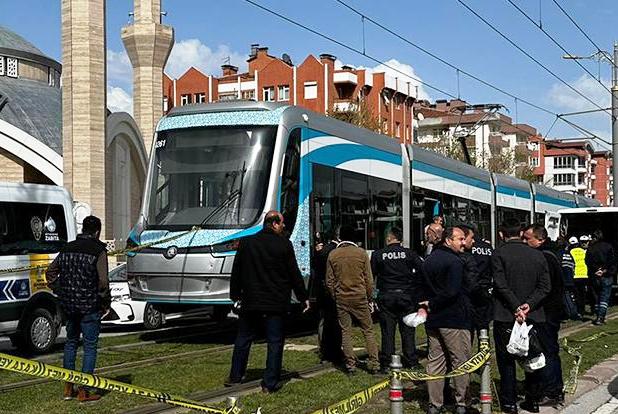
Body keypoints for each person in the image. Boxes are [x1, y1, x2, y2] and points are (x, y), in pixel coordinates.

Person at [227, 211, 310, 393]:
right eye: (282, 224)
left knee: (243, 339)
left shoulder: (247, 243)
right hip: (275, 302)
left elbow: (237, 271)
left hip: (251, 300)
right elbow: (293, 274)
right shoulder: (284, 245)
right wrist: (303, 297)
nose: (284, 227)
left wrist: (235, 294)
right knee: (274, 342)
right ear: (274, 224)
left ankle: (235, 376)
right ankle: (270, 382)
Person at [46, 215, 110, 402]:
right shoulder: (99, 250)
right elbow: (103, 282)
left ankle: (68, 387)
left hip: (69, 306)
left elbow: (50, 273)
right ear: (97, 231)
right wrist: (105, 303)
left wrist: (60, 289)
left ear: (83, 229)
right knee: (90, 347)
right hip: (90, 307)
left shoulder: (67, 248)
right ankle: (85, 391)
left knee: (71, 343)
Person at [492, 219, 550, 414]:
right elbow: (545, 287)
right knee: (532, 358)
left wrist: (516, 307)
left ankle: (509, 403)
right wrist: (528, 305)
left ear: (501, 235)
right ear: (522, 232)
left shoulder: (499, 253)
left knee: (506, 361)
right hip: (534, 315)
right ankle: (532, 400)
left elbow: (500, 285)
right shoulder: (538, 256)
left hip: (505, 315)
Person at [420, 227, 471, 414]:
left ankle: (435, 404)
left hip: (434, 319)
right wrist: (434, 302)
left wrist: (428, 304)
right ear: (448, 240)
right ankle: (461, 403)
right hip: (454, 319)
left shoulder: (429, 260)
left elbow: (422, 287)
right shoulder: (455, 262)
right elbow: (452, 292)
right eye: (460, 239)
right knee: (460, 361)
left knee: (435, 362)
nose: (464, 242)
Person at [326, 225, 379, 374]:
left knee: (346, 331)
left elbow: (329, 281)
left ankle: (350, 364)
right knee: (368, 330)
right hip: (359, 296)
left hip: (342, 298)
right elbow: (369, 280)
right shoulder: (361, 254)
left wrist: (335, 295)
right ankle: (374, 363)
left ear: (340, 237)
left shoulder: (333, 254)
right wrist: (369, 297)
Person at [371, 227, 424, 372]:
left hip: (386, 296)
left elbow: (372, 275)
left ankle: (386, 363)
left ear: (389, 238)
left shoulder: (378, 254)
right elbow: (422, 271)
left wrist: (373, 296)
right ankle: (412, 361)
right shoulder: (410, 254)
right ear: (400, 239)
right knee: (408, 330)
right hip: (406, 296)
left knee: (387, 331)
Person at [523, 224, 565, 406]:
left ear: (540, 239)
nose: (524, 241)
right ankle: (553, 389)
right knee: (550, 351)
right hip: (551, 311)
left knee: (546, 352)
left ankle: (550, 391)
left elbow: (544, 287)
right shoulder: (551, 255)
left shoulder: (544, 258)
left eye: (527, 238)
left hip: (545, 313)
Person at [311, 230, 343, 364]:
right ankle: (336, 350)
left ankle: (324, 350)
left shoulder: (322, 251)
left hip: (321, 290)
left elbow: (315, 268)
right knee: (337, 321)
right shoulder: (338, 251)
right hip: (335, 290)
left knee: (324, 321)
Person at [585, 230, 616, 325]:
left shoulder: (591, 248)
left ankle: (598, 315)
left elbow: (587, 262)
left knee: (597, 297)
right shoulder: (608, 247)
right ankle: (601, 317)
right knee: (604, 297)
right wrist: (605, 270)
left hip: (595, 276)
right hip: (606, 275)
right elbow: (612, 260)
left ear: (594, 238)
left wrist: (596, 270)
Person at [571, 235, 591, 317]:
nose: (584, 244)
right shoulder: (585, 252)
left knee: (577, 295)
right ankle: (581, 311)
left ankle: (578, 311)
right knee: (582, 295)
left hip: (576, 275)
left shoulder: (572, 251)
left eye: (585, 242)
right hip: (584, 275)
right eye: (582, 242)